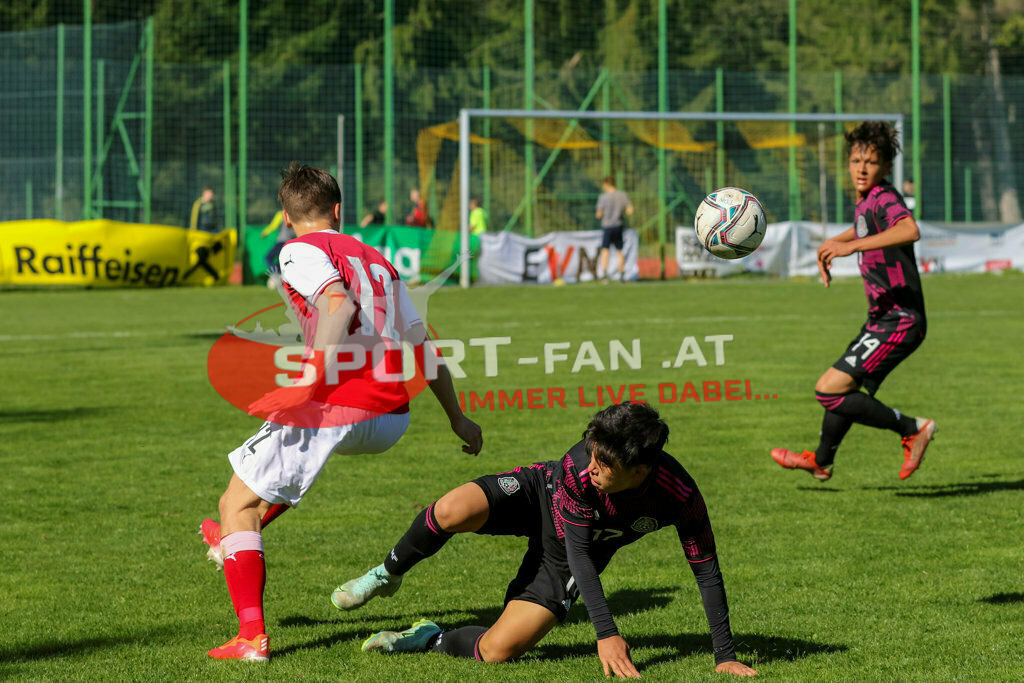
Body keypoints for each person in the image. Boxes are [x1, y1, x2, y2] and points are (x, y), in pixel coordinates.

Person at [202, 163, 483, 662]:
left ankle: (251, 638)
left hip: (338, 406)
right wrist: (457, 418)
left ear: (287, 218)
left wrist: (307, 380)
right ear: (338, 210)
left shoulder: (299, 249)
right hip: (392, 417)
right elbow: (423, 344)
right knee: (255, 494)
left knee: (234, 505)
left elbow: (335, 302)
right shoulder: (378, 258)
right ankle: (239, 536)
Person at [333, 402, 757, 679]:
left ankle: (429, 637)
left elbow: (706, 570)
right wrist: (606, 632)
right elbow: (577, 547)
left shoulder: (679, 495)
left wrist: (724, 655)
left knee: (498, 652)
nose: (592, 466)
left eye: (605, 463)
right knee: (451, 509)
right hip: (542, 495)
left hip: (571, 554)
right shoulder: (578, 468)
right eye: (592, 451)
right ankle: (386, 574)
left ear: (639, 470)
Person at [771, 121, 935, 482]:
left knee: (828, 389)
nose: (862, 168)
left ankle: (913, 428)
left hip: (901, 319)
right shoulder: (867, 202)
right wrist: (834, 243)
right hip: (882, 318)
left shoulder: (885, 197)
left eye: (871, 162)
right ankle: (821, 460)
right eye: (856, 160)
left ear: (886, 167)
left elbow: (909, 229)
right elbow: (864, 227)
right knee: (842, 390)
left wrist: (849, 247)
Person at [595, 176, 633, 283]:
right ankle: (621, 275)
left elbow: (598, 214)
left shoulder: (603, 197)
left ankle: (604, 275)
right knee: (619, 251)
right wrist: (623, 214)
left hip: (607, 226)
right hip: (618, 225)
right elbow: (630, 210)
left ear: (606, 184)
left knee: (605, 251)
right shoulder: (622, 195)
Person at [260, 210, 295, 289]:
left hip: (282, 241)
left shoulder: (281, 214)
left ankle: (277, 273)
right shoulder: (296, 214)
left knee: (268, 257)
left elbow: (273, 225)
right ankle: (280, 275)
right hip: (291, 243)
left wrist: (265, 232)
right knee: (281, 261)